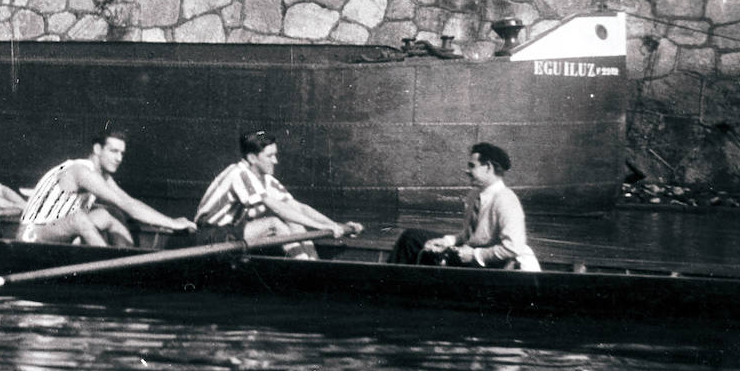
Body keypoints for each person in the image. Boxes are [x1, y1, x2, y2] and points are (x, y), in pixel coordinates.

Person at [194, 130, 361, 259]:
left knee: (294, 221)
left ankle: (313, 263)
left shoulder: (265, 179)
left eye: (275, 154)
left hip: (233, 231)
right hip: (208, 237)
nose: (275, 161)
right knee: (274, 223)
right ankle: (305, 269)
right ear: (252, 158)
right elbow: (276, 208)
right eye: (270, 156)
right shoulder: (239, 173)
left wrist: (334, 225)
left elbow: (298, 207)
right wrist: (320, 227)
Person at [19, 128, 196, 246]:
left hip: (59, 231)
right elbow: (128, 206)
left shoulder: (103, 177)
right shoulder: (81, 172)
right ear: (97, 149)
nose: (119, 158)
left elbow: (129, 202)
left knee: (111, 214)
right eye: (113, 151)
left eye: (122, 153)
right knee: (79, 219)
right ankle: (111, 270)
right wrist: (172, 224)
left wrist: (171, 221)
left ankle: (129, 261)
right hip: (31, 236)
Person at [388, 142, 540, 271]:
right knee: (411, 238)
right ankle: (389, 283)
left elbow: (513, 247)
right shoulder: (474, 195)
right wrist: (448, 241)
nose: (467, 171)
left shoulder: (506, 200)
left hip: (490, 264)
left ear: (488, 167)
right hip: (468, 252)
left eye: (472, 166)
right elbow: (469, 236)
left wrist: (476, 255)